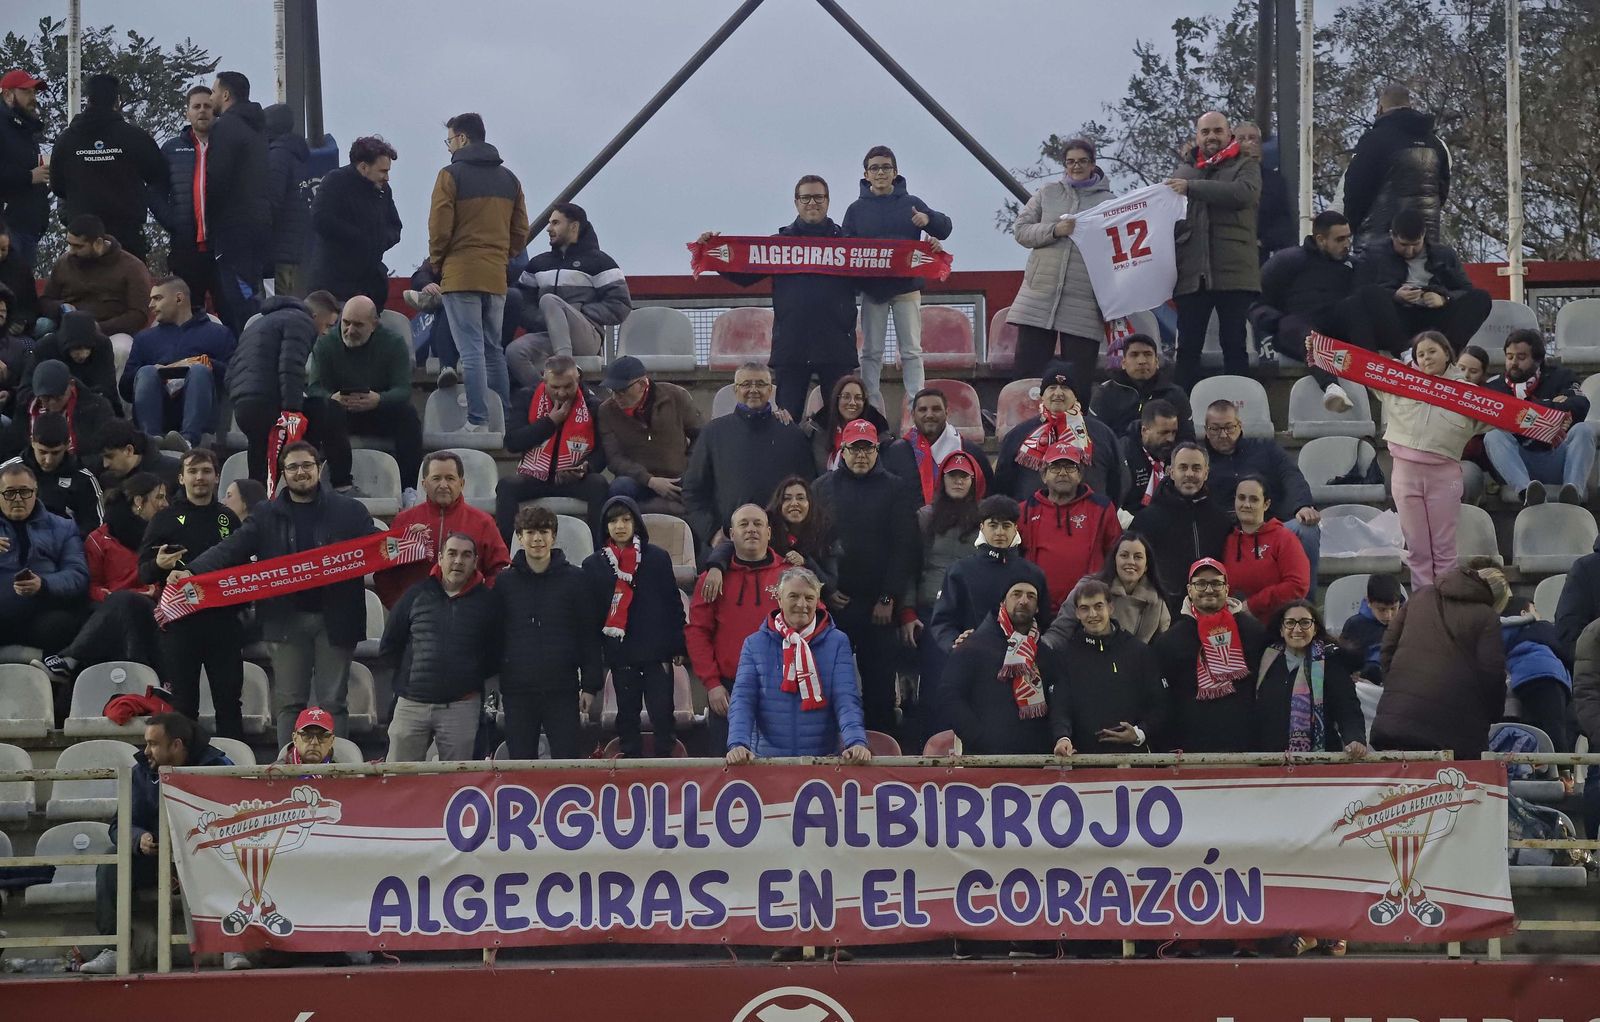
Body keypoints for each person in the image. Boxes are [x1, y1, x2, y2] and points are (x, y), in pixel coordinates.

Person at [179, 441, 379, 746]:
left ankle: (337, 770)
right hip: (285, 621)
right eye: (293, 467)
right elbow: (230, 549)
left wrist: (409, 540)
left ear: (319, 468)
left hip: (336, 619)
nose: (301, 473)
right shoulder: (265, 514)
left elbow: (380, 548)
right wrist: (192, 571)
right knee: (289, 704)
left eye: (307, 466)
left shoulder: (350, 511)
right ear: (282, 473)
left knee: (333, 703)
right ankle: (288, 768)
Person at [78, 713, 234, 975]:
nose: (146, 750)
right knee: (111, 863)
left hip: (210, 858)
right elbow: (119, 826)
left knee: (239, 856)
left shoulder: (219, 766)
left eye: (153, 744)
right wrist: (139, 838)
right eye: (146, 743)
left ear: (176, 745)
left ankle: (234, 943)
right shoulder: (141, 772)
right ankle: (115, 949)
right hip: (157, 859)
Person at [696, 178, 858, 420]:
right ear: (796, 202)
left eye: (818, 197)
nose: (812, 203)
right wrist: (712, 252)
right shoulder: (778, 245)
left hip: (836, 346)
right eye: (805, 198)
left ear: (828, 201)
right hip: (792, 347)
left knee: (842, 421)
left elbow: (882, 267)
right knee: (785, 420)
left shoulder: (850, 245)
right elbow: (744, 274)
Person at [814, 418, 920, 734]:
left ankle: (881, 751)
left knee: (879, 689)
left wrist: (889, 597)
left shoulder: (896, 487)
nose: (861, 455)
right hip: (835, 606)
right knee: (830, 684)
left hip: (880, 609)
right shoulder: (821, 487)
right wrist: (826, 590)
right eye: (854, 448)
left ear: (877, 450)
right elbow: (811, 545)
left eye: (868, 449)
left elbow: (905, 548)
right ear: (842, 450)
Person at [138, 448, 246, 738]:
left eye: (206, 471)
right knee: (184, 705)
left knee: (229, 702)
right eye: (193, 471)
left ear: (217, 477)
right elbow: (143, 571)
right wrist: (159, 565)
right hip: (180, 625)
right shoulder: (164, 519)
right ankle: (188, 774)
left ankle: (234, 770)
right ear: (181, 478)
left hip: (223, 622)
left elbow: (242, 567)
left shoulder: (228, 518)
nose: (200, 477)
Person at [428, 112, 526, 426]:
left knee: (470, 350)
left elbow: (440, 227)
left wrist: (438, 260)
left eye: (450, 139)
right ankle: (502, 418)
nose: (448, 147)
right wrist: (502, 254)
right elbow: (520, 230)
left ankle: (477, 419)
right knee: (493, 348)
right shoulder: (510, 179)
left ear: (463, 139)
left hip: (461, 273)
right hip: (495, 274)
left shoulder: (449, 175)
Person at [841, 145, 952, 410]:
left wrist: (929, 220)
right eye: (875, 168)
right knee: (871, 352)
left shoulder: (912, 203)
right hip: (872, 290)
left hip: (907, 288)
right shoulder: (855, 209)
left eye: (886, 167)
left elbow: (944, 228)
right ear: (866, 174)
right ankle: (871, 407)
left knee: (912, 351)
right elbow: (844, 248)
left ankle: (918, 405)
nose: (880, 172)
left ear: (895, 172)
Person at [725, 565, 870, 762]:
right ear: (779, 599)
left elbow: (846, 698)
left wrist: (855, 742)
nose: (802, 604)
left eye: (809, 598)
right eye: (793, 596)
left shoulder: (838, 642)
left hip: (821, 762)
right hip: (768, 764)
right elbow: (743, 700)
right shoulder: (754, 643)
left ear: (818, 601)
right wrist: (738, 744)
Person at [1376, 331, 1484, 587]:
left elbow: (1507, 416)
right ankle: (1425, 611)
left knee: (1444, 551)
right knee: (1418, 552)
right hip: (1404, 476)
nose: (1426, 358)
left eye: (1432, 351)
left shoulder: (1468, 393)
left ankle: (1446, 607)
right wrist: (1320, 350)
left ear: (1447, 353)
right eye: (1420, 354)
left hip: (1444, 477)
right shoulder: (1397, 383)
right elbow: (1358, 368)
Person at [33, 472, 165, 681]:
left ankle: (71, 659)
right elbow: (91, 585)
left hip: (153, 609)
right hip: (109, 607)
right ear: (139, 501)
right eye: (159, 497)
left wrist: (156, 591)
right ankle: (144, 683)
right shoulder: (99, 539)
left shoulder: (164, 535)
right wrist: (108, 596)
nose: (165, 504)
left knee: (126, 603)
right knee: (122, 605)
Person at [496, 505, 603, 760]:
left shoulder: (576, 580)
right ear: (520, 537)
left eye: (544, 531)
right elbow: (495, 634)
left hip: (563, 688)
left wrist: (590, 685)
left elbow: (588, 635)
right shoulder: (504, 583)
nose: (537, 539)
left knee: (567, 760)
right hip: (517, 690)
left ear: (553, 536)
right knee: (520, 762)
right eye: (530, 532)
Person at [382, 533, 501, 762]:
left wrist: (466, 677)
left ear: (475, 561)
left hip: (461, 707)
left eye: (466, 555)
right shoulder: (415, 594)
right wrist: (410, 681)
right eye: (452, 553)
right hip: (411, 705)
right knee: (398, 782)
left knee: (458, 786)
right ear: (439, 558)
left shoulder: (488, 602)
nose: (458, 561)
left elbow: (495, 653)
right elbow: (390, 644)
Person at [582, 496, 686, 757]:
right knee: (626, 717)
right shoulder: (594, 565)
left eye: (626, 519)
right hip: (621, 654)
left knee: (663, 715)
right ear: (605, 526)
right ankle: (631, 767)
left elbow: (673, 604)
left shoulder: (658, 558)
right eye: (613, 520)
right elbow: (592, 617)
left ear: (637, 523)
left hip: (656, 653)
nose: (620, 526)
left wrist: (677, 645)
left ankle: (666, 768)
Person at [1165, 111, 1262, 388]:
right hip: (1192, 274)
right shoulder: (1182, 171)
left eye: (1217, 131)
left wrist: (1191, 187)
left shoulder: (1246, 165)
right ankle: (1183, 411)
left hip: (1235, 272)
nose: (1211, 137)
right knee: (1187, 348)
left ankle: (1240, 407)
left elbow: (1242, 194)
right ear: (1197, 136)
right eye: (1205, 132)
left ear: (1228, 134)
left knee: (1234, 343)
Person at [1006, 138, 1115, 384]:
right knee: (1027, 375)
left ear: (1093, 164)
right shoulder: (1047, 193)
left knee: (1078, 378)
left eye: (1082, 161)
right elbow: (1021, 231)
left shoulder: (1109, 202)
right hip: (1038, 297)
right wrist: (1056, 230)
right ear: (1064, 165)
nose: (1076, 166)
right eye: (1071, 162)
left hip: (1084, 301)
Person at [1373, 561, 1507, 761]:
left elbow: (1388, 648)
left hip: (1396, 721)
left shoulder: (1420, 596)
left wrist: (1397, 686)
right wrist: (1493, 715)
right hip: (1453, 734)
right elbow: (1492, 675)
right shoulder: (1486, 617)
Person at [687, 502, 793, 754]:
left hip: (781, 688)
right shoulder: (711, 580)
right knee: (727, 772)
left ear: (769, 532)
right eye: (743, 524)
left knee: (779, 775)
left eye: (758, 524)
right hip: (729, 690)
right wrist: (712, 684)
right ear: (731, 534)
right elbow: (697, 632)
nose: (751, 529)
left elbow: (813, 625)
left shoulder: (791, 576)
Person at [901, 450, 987, 744]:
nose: (958, 481)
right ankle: (933, 748)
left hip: (971, 615)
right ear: (943, 480)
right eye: (953, 475)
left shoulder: (985, 519)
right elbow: (911, 567)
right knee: (936, 684)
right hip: (932, 614)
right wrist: (908, 613)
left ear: (973, 481)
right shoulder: (925, 517)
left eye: (964, 476)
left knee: (971, 685)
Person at [682, 362, 814, 549]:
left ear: (770, 390)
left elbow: (808, 487)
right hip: (728, 545)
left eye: (760, 384)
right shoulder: (713, 433)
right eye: (746, 384)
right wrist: (711, 533)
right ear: (736, 390)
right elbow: (693, 491)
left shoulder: (791, 434)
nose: (753, 390)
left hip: (781, 546)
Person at [305, 295, 423, 502]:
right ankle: (321, 486)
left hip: (377, 410)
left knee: (409, 416)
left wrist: (379, 399)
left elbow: (403, 389)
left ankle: (408, 488)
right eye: (346, 323)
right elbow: (314, 388)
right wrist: (332, 398)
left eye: (358, 325)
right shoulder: (325, 345)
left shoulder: (393, 344)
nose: (350, 330)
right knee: (315, 410)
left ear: (374, 324)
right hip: (339, 413)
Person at [509, 202, 632, 387]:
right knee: (513, 352)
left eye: (556, 223)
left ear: (574, 227)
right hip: (548, 333)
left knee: (549, 300)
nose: (549, 228)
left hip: (586, 336)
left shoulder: (600, 262)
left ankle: (564, 367)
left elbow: (620, 305)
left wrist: (580, 311)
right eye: (549, 223)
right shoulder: (538, 264)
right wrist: (543, 320)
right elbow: (523, 303)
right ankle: (549, 397)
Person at [49, 74, 166, 263]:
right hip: (127, 236)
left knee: (84, 291)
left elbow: (57, 186)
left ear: (88, 99)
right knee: (130, 288)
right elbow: (158, 175)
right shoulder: (135, 137)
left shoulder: (67, 139)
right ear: (117, 101)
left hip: (82, 238)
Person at [1155, 558, 1267, 753]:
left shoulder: (1253, 632)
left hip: (1245, 747)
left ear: (1226, 588)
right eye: (1200, 584)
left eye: (1216, 583)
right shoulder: (1170, 641)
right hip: (1190, 750)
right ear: (1189, 590)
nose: (1208, 589)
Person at [1249, 210, 1359, 408]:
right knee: (1303, 332)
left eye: (1348, 238)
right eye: (1340, 239)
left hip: (1337, 330)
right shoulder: (1288, 261)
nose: (1347, 244)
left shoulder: (1353, 266)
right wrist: (1276, 321)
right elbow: (1256, 303)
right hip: (1296, 330)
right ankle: (1331, 386)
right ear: (1321, 239)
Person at [1045, 578, 1167, 755]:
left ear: (1110, 608)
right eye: (1085, 608)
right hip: (1083, 763)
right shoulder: (1065, 655)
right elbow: (1060, 706)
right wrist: (1063, 738)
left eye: (1098, 606)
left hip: (1133, 762)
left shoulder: (1139, 652)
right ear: (1077, 613)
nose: (1092, 614)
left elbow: (1160, 704)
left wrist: (1140, 733)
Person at [495, 355, 609, 542]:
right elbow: (513, 442)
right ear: (544, 380)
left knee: (600, 485)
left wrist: (586, 467)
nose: (562, 393)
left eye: (568, 386)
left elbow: (603, 452)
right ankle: (509, 552)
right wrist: (549, 422)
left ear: (578, 379)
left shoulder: (593, 404)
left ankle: (595, 550)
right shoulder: (526, 397)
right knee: (506, 487)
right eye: (555, 387)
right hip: (535, 476)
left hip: (573, 479)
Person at [1201, 399, 1321, 577]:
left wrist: (1301, 506)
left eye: (1229, 427)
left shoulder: (1266, 449)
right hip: (1226, 534)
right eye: (1215, 429)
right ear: (1206, 430)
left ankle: (1304, 603)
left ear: (1240, 425)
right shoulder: (1199, 459)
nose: (1223, 434)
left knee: (1306, 529)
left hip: (1274, 527)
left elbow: (1290, 475)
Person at [1349, 208, 1491, 358]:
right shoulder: (1374, 254)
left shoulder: (1444, 255)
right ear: (1392, 236)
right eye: (1403, 245)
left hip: (1434, 316)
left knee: (1481, 298)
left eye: (1415, 244)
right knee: (1371, 294)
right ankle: (1405, 353)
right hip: (1396, 318)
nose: (1409, 251)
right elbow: (1360, 292)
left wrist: (1444, 298)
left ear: (1423, 236)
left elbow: (1465, 290)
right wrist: (1395, 295)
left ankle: (1447, 353)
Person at [375, 450, 509, 607]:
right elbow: (384, 573)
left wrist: (480, 604)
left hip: (468, 616)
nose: (443, 485)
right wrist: (401, 607)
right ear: (424, 484)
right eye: (436, 478)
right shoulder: (404, 521)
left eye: (450, 478)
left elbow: (501, 570)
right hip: (416, 618)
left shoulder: (484, 522)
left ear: (462, 483)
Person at [942, 579, 1055, 755]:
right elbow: (950, 694)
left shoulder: (1046, 653)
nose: (1023, 600)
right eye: (1016, 594)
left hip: (1034, 764)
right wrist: (977, 737)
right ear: (1003, 602)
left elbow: (1058, 700)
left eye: (1031, 596)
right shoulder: (973, 645)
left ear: (1038, 607)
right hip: (983, 762)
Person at [1484, 328, 1594, 506]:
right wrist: (1553, 407)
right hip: (1518, 462)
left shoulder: (1560, 376)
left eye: (1521, 358)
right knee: (1493, 436)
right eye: (1509, 357)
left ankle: (1573, 492)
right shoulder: (1494, 387)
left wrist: (1531, 409)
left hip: (1555, 456)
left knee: (1584, 430)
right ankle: (1526, 493)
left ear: (1538, 359)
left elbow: (1581, 406)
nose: (1513, 363)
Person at [122, 276, 235, 447]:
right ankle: (151, 441)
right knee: (146, 372)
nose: (151, 305)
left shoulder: (218, 333)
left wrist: (206, 363)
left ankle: (188, 441)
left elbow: (234, 377)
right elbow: (125, 388)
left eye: (157, 298)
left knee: (199, 370)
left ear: (179, 298)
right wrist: (154, 371)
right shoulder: (144, 339)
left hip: (202, 413)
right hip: (157, 411)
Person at [929, 493, 1050, 651]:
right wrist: (955, 644)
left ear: (1015, 528)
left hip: (1021, 663)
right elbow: (943, 621)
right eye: (993, 525)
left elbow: (1044, 622)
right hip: (972, 661)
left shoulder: (1033, 574)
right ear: (982, 527)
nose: (999, 532)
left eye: (1006, 526)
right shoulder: (960, 571)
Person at [227, 293, 326, 484]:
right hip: (268, 400)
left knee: (258, 465)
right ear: (315, 316)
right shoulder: (302, 322)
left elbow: (232, 369)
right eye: (328, 325)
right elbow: (291, 366)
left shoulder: (258, 323)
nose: (325, 333)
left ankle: (255, 505)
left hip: (243, 402)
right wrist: (293, 412)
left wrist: (237, 395)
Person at [995, 361, 1125, 505]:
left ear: (1076, 396)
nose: (1058, 393)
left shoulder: (1102, 434)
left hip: (1088, 521)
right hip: (1032, 522)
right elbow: (1003, 482)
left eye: (1065, 387)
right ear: (1042, 396)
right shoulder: (1019, 435)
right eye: (1052, 387)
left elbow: (1119, 481)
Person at [1343, 85, 1451, 254]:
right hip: (1425, 246)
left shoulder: (1374, 141)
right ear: (1410, 105)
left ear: (1380, 108)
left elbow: (1356, 190)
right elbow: (1441, 191)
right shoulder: (1435, 144)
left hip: (1378, 245)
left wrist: (1352, 224)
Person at [1019, 441, 1121, 615]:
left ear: (1080, 474)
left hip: (1088, 609)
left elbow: (1115, 554)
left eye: (1070, 467)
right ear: (1044, 475)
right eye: (1055, 467)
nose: (1063, 473)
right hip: (1039, 609)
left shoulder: (1102, 508)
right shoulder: (1025, 510)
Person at [1129, 442, 1231, 616]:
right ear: (1171, 472)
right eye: (1183, 467)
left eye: (1196, 468)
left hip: (1211, 610)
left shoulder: (1220, 519)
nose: (1189, 474)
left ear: (1206, 473)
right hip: (1163, 612)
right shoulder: (1146, 520)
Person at [1254, 600, 1368, 755]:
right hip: (1268, 760)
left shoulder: (1331, 662)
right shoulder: (1265, 661)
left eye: (1305, 623)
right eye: (1290, 623)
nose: (1297, 629)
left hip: (1319, 763)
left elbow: (1347, 709)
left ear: (1315, 629)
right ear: (1281, 629)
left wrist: (1355, 738)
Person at [204, 72, 271, 336]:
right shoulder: (258, 128)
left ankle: (248, 353)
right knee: (252, 293)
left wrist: (210, 220)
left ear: (226, 95)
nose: (210, 98)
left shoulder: (225, 127)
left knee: (238, 300)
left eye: (213, 91)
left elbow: (218, 178)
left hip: (233, 230)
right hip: (259, 225)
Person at [0, 461, 88, 658]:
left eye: (24, 492)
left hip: (40, 614)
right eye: (9, 492)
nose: (17, 499)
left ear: (35, 491)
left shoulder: (63, 527)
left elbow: (77, 574)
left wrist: (43, 584)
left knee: (65, 624)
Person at [596, 355, 702, 515]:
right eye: (612, 390)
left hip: (678, 475)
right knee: (620, 487)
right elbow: (615, 458)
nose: (616, 397)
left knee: (702, 491)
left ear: (642, 384)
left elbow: (701, 437)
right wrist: (649, 480)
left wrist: (688, 467)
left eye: (622, 391)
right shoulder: (606, 411)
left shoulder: (675, 396)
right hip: (638, 480)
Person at [305, 135, 401, 307]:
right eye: (383, 171)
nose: (387, 178)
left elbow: (395, 226)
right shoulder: (336, 181)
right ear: (364, 167)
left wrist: (378, 242)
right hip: (334, 286)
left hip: (369, 286)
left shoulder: (383, 191)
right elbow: (321, 219)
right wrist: (359, 238)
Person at [38, 214, 152, 349]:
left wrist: (99, 327)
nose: (72, 251)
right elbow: (46, 301)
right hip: (68, 328)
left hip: (114, 333)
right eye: (69, 245)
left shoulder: (132, 267)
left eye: (78, 246)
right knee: (43, 331)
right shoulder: (64, 263)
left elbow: (138, 314)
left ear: (98, 243)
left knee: (121, 349)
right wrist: (62, 308)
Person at [152, 86, 217, 308]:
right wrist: (173, 222)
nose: (202, 111)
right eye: (196, 106)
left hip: (221, 247)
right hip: (185, 247)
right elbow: (155, 191)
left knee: (229, 310)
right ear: (187, 112)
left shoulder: (227, 145)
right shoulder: (172, 148)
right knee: (187, 311)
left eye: (207, 106)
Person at [1220, 474, 1311, 621]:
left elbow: (1297, 585)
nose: (1246, 504)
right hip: (1232, 625)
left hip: (1274, 627)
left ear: (1266, 504)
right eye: (1241, 498)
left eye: (1254, 499)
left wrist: (1252, 605)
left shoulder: (1283, 538)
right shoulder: (1227, 539)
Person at [881, 386, 992, 505]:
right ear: (913, 415)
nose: (929, 415)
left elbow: (987, 497)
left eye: (936, 409)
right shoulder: (895, 452)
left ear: (947, 412)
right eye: (923, 410)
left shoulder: (971, 453)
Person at [0, 357, 115, 462]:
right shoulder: (26, 407)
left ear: (71, 385)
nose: (53, 404)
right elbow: (12, 448)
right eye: (46, 398)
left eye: (58, 398)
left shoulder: (96, 407)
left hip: (79, 471)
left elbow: (106, 452)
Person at [10, 411, 103, 537]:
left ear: (67, 445)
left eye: (55, 453)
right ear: (32, 442)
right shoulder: (8, 472)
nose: (48, 460)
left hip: (65, 547)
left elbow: (97, 531)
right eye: (42, 452)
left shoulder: (84, 479)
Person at [1500, 595, 1573, 753]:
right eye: (1535, 610)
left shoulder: (1505, 631)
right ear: (1524, 614)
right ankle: (1564, 772)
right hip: (1548, 676)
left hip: (1522, 682)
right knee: (1555, 728)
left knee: (1534, 728)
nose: (1539, 615)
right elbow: (1564, 651)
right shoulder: (1540, 627)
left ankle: (1539, 768)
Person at [1091, 333, 1193, 443]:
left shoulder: (1176, 394)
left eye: (1148, 354)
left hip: (1166, 457)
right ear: (1124, 363)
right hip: (1119, 457)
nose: (1142, 361)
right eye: (1134, 355)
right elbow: (1096, 439)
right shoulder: (1105, 394)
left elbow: (1187, 440)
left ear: (1157, 362)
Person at [25, 309, 124, 414]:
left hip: (92, 411)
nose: (83, 354)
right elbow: (26, 390)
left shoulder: (102, 346)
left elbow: (109, 389)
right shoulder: (45, 348)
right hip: (49, 411)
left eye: (87, 348)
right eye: (77, 349)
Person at [0, 69, 50, 269]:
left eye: (34, 92)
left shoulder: (24, 129)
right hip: (8, 226)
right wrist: (29, 177)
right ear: (8, 94)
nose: (33, 98)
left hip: (27, 226)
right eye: (27, 92)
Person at [262, 103, 311, 296]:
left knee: (273, 300)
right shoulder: (297, 155)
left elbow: (272, 199)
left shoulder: (277, 155)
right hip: (291, 248)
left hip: (275, 248)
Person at [1091, 531, 1172, 643]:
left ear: (1146, 566)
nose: (1131, 562)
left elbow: (1162, 647)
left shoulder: (1157, 603)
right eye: (1124, 555)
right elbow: (1063, 630)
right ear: (1115, 560)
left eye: (1138, 557)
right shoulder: (1091, 589)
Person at [803, 374, 892, 474]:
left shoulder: (878, 427)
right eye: (846, 397)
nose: (852, 403)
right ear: (837, 399)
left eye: (858, 398)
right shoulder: (819, 426)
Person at [1236, 122, 1295, 264]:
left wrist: (1261, 242)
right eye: (1242, 139)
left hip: (1258, 259)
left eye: (1253, 138)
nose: (1248, 143)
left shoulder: (1274, 182)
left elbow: (1284, 223)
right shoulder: (1221, 176)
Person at [1338, 572, 1402, 686]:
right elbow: (1345, 661)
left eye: (1393, 608)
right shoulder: (1355, 625)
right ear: (1368, 602)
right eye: (1382, 610)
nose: (1388, 615)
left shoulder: (1407, 622)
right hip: (1365, 683)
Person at [1119, 399, 1181, 514]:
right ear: (1144, 431)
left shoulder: (1176, 452)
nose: (1170, 439)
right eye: (1164, 433)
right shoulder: (1124, 454)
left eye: (1173, 432)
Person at [97, 417, 178, 492]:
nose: (105, 464)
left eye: (110, 456)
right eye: (103, 457)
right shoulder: (107, 481)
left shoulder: (175, 471)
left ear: (129, 450)